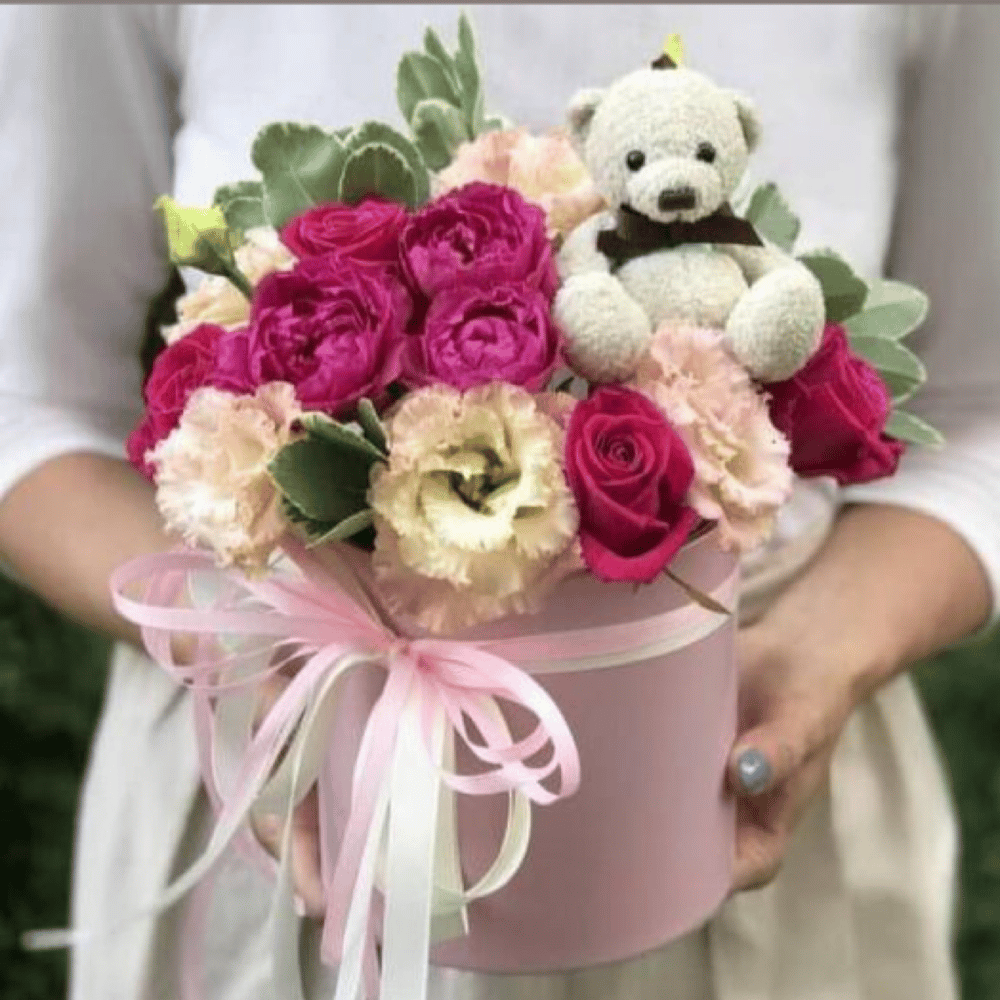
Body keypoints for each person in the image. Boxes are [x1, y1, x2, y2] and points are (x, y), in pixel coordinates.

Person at [0, 5, 995, 999]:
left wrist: (827, 650)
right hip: (299, 779)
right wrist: (239, 643)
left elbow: (978, 416)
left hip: (732, 762)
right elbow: (23, 401)